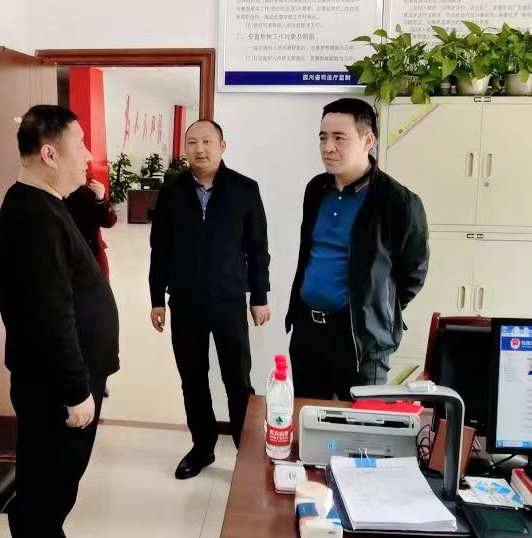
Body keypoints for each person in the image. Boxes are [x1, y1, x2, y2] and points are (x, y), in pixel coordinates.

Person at [0, 105, 120, 538]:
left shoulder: (47, 204)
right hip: (57, 390)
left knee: (51, 489)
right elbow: (50, 314)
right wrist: (75, 390)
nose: (87, 155)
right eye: (80, 144)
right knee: (46, 492)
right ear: (49, 154)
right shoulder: (36, 217)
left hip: (63, 379)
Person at [149, 119, 270, 479]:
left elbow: (257, 248)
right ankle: (202, 447)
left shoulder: (244, 189)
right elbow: (160, 248)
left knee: (238, 379)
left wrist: (259, 295)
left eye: (206, 141)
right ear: (185, 148)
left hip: (229, 300)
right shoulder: (172, 190)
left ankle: (246, 451)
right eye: (192, 142)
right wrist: (156, 298)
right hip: (185, 301)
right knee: (193, 379)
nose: (199, 149)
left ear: (222, 145)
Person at [286, 98, 428, 398]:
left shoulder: (398, 201)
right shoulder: (316, 189)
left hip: (360, 339)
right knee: (307, 417)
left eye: (339, 138)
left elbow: (413, 273)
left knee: (360, 423)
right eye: (323, 138)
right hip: (308, 332)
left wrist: (373, 308)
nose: (328, 147)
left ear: (368, 141)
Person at [64, 173, 117, 280]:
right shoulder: (52, 194)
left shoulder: (88, 190)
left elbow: (109, 222)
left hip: (92, 251)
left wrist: (100, 199)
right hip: (66, 255)